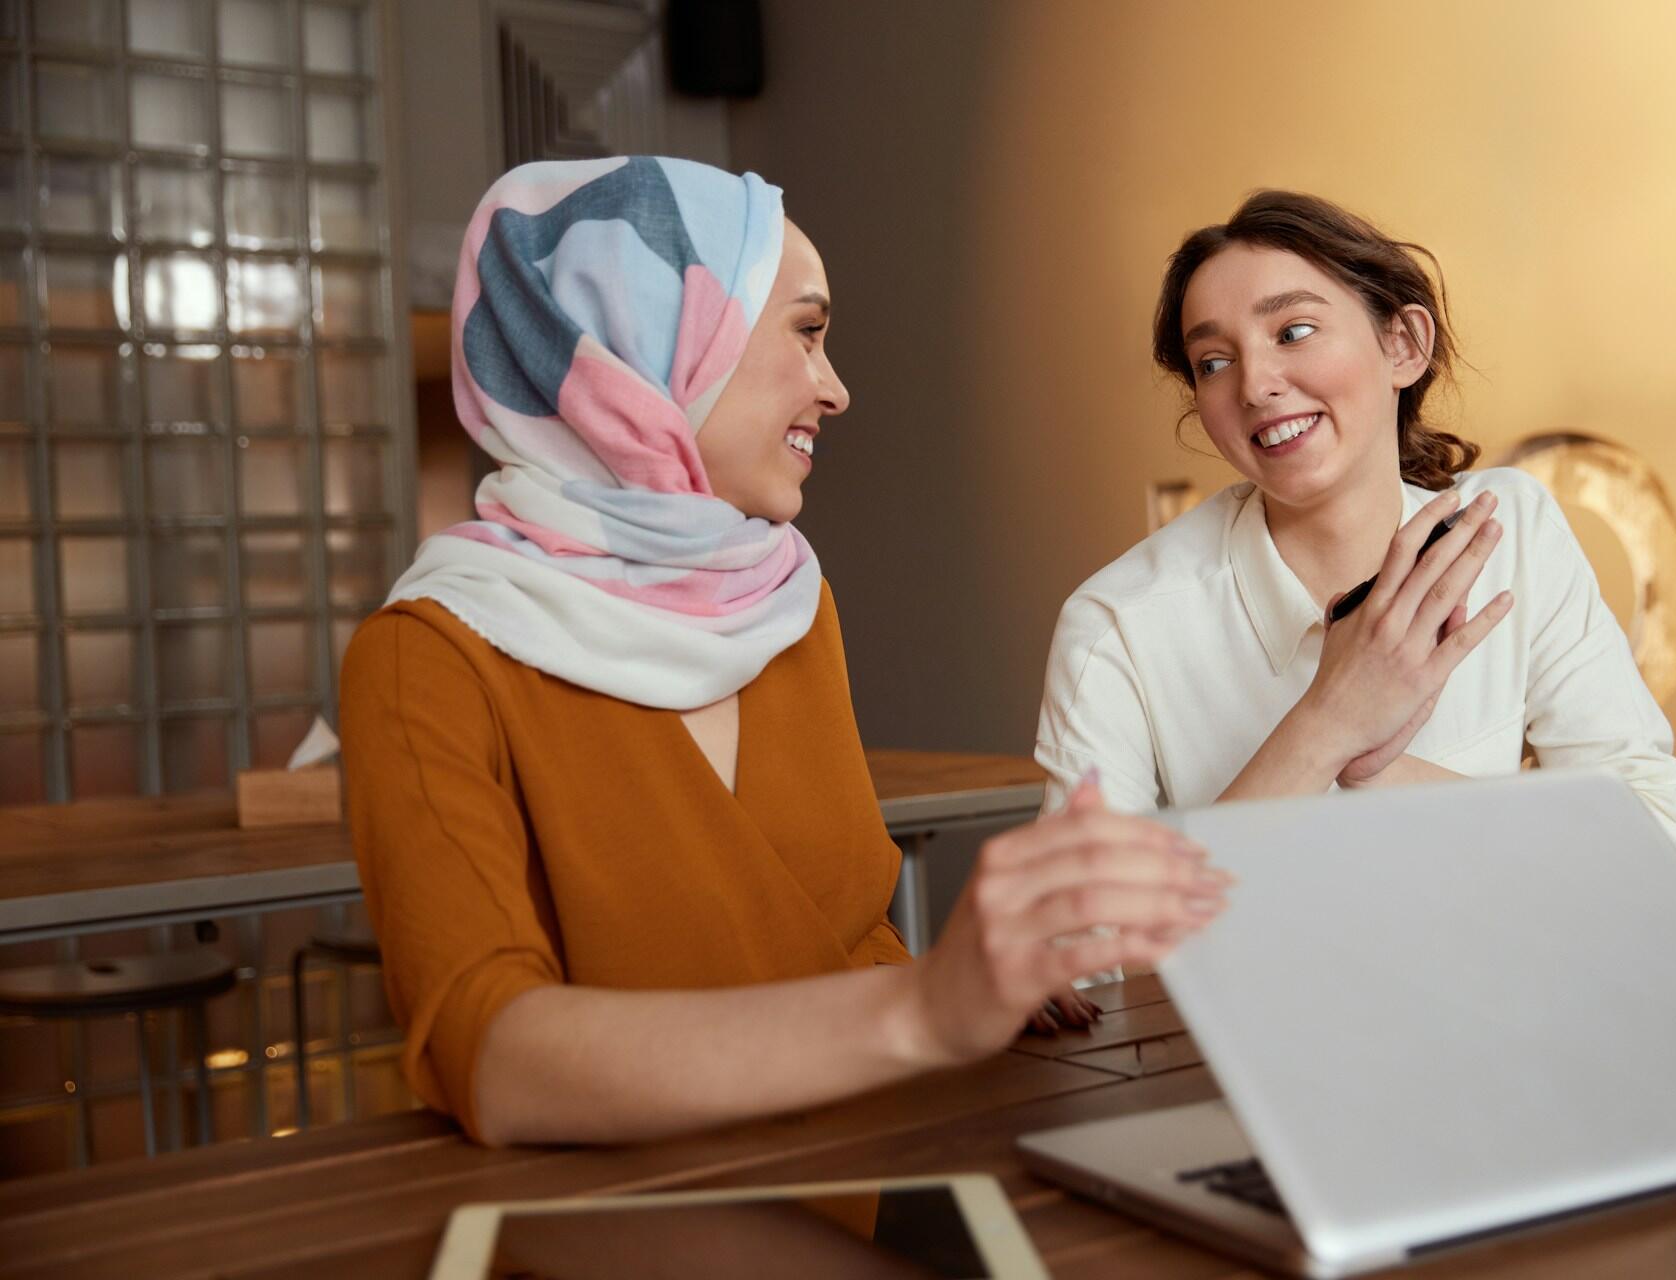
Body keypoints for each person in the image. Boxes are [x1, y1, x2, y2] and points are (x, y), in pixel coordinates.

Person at [340, 156, 1230, 1147]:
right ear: (661, 339)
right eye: (808, 332)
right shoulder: (429, 655)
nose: (836, 389)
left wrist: (974, 988)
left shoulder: (787, 601)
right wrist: (924, 1006)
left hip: (863, 1170)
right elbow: (496, 1059)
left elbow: (842, 932)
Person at [1035, 190, 1676, 865]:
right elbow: (1087, 959)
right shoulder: (1116, 628)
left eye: (1293, 332)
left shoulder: (1510, 532)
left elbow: (1662, 840)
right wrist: (1326, 726)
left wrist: (1381, 771)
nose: (1255, 385)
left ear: (1404, 345)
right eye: (1214, 363)